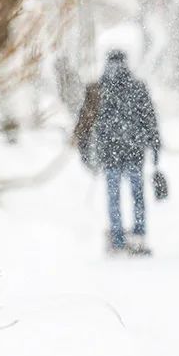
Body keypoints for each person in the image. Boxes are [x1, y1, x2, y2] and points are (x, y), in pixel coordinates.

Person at [74, 50, 161, 255]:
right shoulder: (137, 87)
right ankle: (138, 237)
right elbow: (150, 119)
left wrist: (85, 152)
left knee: (114, 196)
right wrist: (155, 147)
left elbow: (84, 125)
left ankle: (118, 238)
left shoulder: (97, 89)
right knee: (137, 195)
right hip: (134, 151)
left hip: (110, 152)